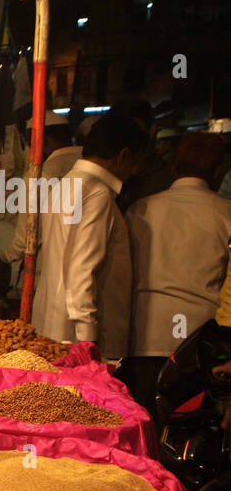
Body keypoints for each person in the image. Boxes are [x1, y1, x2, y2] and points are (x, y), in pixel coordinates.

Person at [123, 133, 231, 412]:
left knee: (144, 428)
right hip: (200, 343)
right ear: (218, 171)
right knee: (189, 430)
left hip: (146, 336)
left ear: (173, 166)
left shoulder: (140, 210)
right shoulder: (226, 213)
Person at [30, 113, 150, 360]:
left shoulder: (67, 184)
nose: (134, 172)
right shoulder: (96, 193)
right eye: (135, 163)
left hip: (55, 327)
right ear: (123, 156)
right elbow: (81, 270)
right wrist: (88, 345)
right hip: (78, 339)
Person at [0, 111, 82, 269]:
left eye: (29, 145)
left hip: (52, 269)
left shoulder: (40, 176)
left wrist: (2, 257)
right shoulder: (88, 164)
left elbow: (26, 240)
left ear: (43, 143)